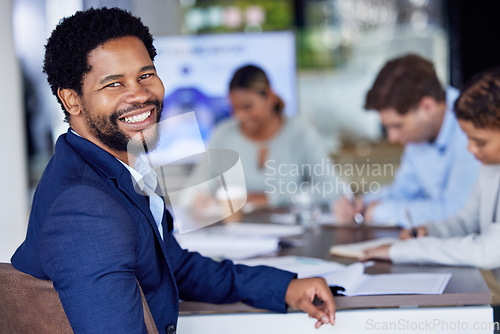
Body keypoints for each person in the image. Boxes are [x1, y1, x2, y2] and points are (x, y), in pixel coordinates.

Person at [10, 7, 335, 332]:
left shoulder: (114, 169)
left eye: (145, 75)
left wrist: (284, 288)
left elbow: (171, 266)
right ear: (71, 100)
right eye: (113, 84)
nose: (139, 94)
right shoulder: (85, 208)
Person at [361, 66, 500, 321]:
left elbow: (489, 250)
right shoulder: (490, 161)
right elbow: (466, 220)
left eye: (478, 141)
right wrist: (430, 231)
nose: (470, 149)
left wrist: (399, 251)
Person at [333, 54, 479, 227]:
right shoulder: (420, 135)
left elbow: (458, 211)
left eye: (397, 126)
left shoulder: (471, 126)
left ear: (427, 107)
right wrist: (361, 203)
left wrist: (381, 211)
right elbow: (404, 191)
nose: (392, 137)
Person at [198, 64, 341, 208]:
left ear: (270, 97)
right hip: (233, 227)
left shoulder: (300, 133)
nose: (240, 116)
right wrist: (200, 198)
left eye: (248, 106)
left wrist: (271, 199)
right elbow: (195, 190)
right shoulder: (222, 135)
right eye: (234, 108)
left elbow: (332, 189)